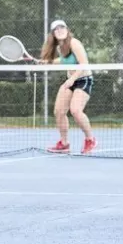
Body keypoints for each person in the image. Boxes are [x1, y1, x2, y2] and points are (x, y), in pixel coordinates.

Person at [42, 19, 97, 155]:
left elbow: (84, 64)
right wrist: (48, 62)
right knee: (59, 111)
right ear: (53, 34)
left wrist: (72, 79)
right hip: (70, 81)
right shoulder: (61, 47)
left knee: (76, 111)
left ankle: (90, 139)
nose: (60, 30)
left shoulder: (74, 43)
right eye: (56, 29)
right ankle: (64, 143)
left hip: (83, 79)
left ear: (67, 30)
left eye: (62, 27)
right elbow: (64, 60)